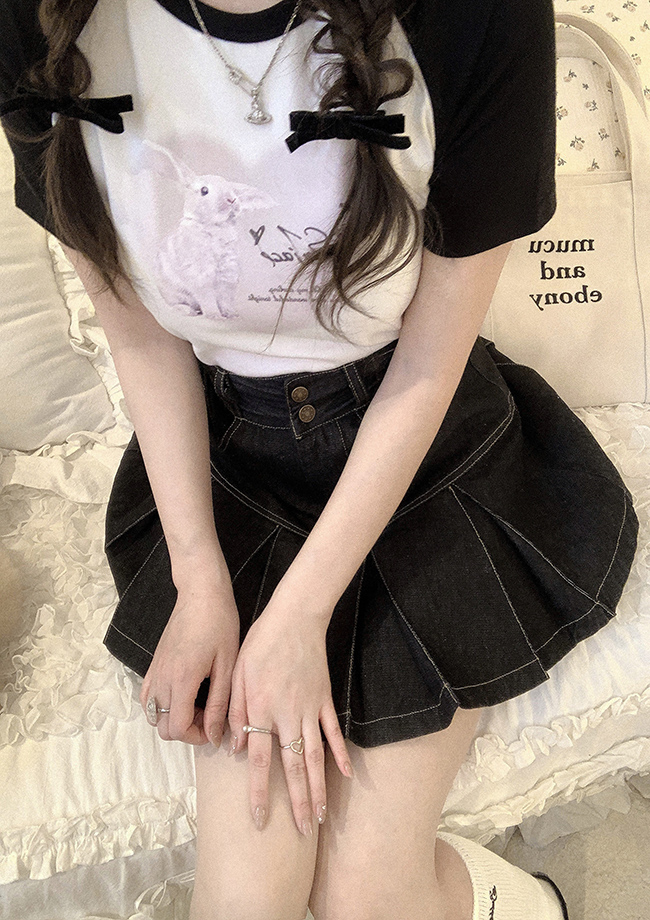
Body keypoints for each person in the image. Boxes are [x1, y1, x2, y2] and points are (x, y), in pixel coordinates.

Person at [0, 0, 638, 917]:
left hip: (423, 457)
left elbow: (430, 363)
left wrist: (297, 619)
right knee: (244, 903)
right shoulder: (40, 22)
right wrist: (199, 580)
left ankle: (525, 903)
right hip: (229, 468)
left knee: (369, 898)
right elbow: (138, 335)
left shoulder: (478, 16)